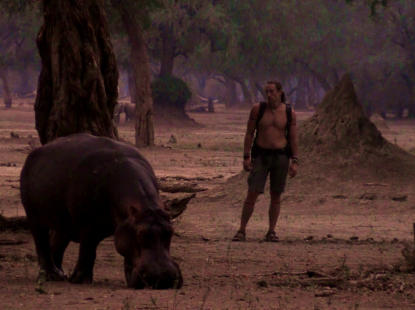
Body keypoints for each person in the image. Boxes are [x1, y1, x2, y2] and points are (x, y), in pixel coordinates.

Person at [232, 81, 298, 242]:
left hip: (281, 157)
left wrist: (295, 160)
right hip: (261, 156)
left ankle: (271, 231)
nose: (269, 95)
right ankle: (241, 230)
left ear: (280, 92)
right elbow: (249, 133)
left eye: (272, 91)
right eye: (266, 91)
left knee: (276, 195)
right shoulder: (258, 109)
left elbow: (293, 137)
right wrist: (246, 156)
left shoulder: (289, 112)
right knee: (252, 193)